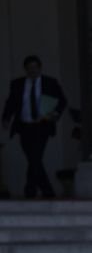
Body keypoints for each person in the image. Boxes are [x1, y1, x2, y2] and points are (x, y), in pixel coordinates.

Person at [2, 55, 67, 198]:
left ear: (40, 68)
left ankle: (31, 190)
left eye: (35, 68)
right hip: (24, 127)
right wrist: (6, 118)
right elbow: (11, 103)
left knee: (35, 157)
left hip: (41, 126)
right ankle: (46, 191)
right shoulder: (17, 84)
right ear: (25, 69)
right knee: (33, 159)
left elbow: (62, 101)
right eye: (29, 68)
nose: (32, 71)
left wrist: (54, 114)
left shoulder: (50, 82)